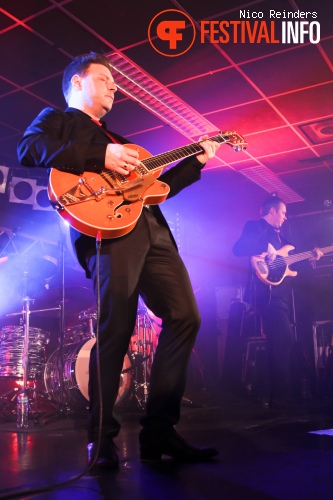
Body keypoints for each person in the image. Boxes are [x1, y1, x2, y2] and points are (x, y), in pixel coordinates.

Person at [17, 52, 220, 468]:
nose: (115, 86)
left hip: (154, 234)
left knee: (186, 316)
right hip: (108, 233)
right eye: (106, 79)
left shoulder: (124, 141)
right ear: (77, 83)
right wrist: (100, 157)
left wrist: (197, 160)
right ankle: (102, 439)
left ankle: (159, 433)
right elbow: (29, 147)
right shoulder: (58, 119)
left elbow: (157, 188)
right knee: (117, 330)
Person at [232, 195, 322, 408]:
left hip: (282, 297)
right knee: (284, 340)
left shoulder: (283, 237)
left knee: (283, 342)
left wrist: (311, 257)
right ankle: (281, 396)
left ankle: (270, 394)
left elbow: (289, 264)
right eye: (282, 212)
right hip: (266, 297)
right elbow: (238, 249)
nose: (285, 216)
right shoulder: (255, 226)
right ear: (271, 211)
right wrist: (265, 248)